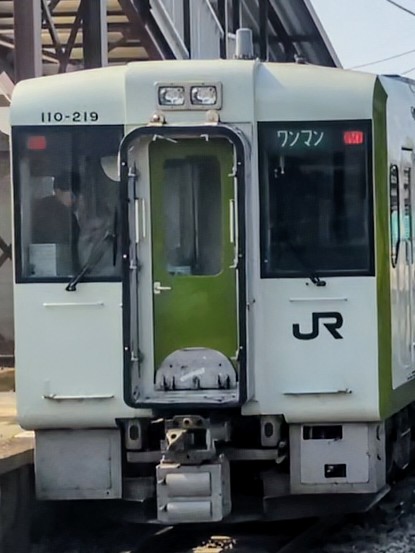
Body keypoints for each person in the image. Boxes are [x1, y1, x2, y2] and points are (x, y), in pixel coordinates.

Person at [31, 172, 80, 268]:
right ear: (58, 192)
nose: (74, 200)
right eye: (72, 196)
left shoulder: (41, 208)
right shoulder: (57, 213)